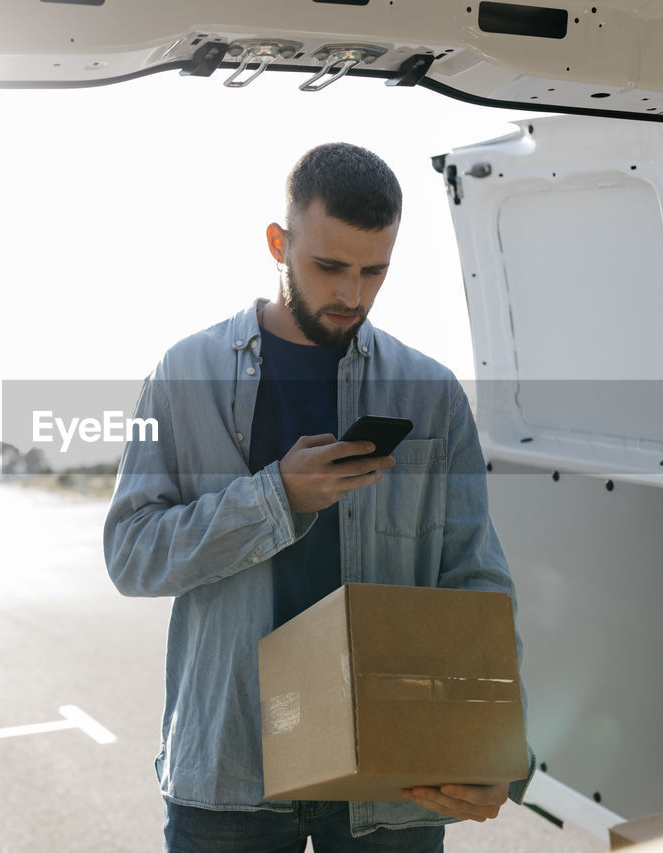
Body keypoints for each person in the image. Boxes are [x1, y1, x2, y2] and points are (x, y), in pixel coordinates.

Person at [103, 142, 533, 852]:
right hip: (232, 770)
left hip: (389, 770)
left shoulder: (431, 394)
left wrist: (499, 746)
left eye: (375, 271)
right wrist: (277, 497)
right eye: (329, 266)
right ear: (279, 243)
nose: (352, 295)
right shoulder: (182, 374)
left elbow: (476, 581)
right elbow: (130, 555)